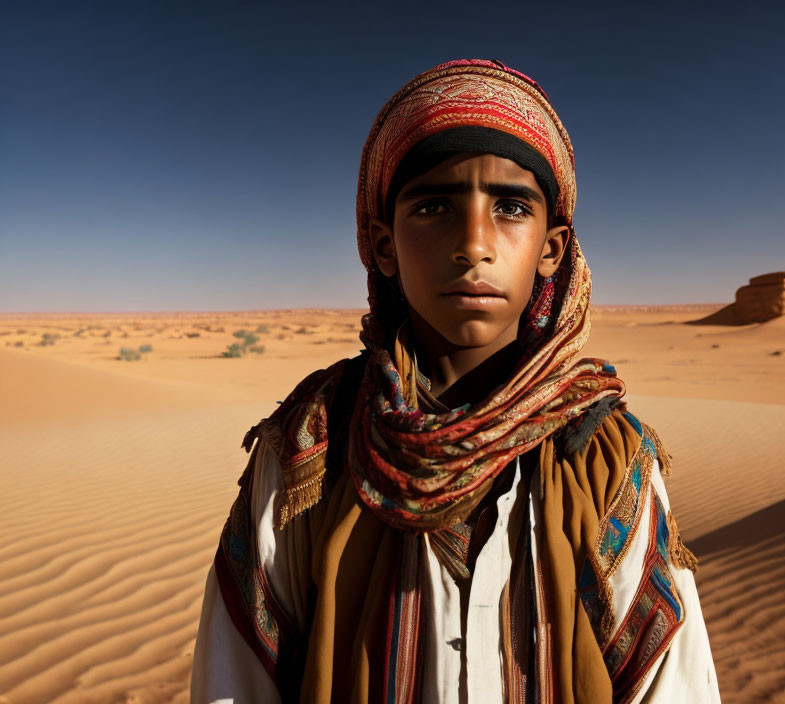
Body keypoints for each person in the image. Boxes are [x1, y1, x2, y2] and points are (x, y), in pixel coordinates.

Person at [191, 58, 721, 703]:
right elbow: (237, 677)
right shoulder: (314, 445)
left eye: (510, 207)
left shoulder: (605, 454)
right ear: (383, 246)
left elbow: (670, 682)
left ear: (551, 248)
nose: (474, 243)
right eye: (434, 206)